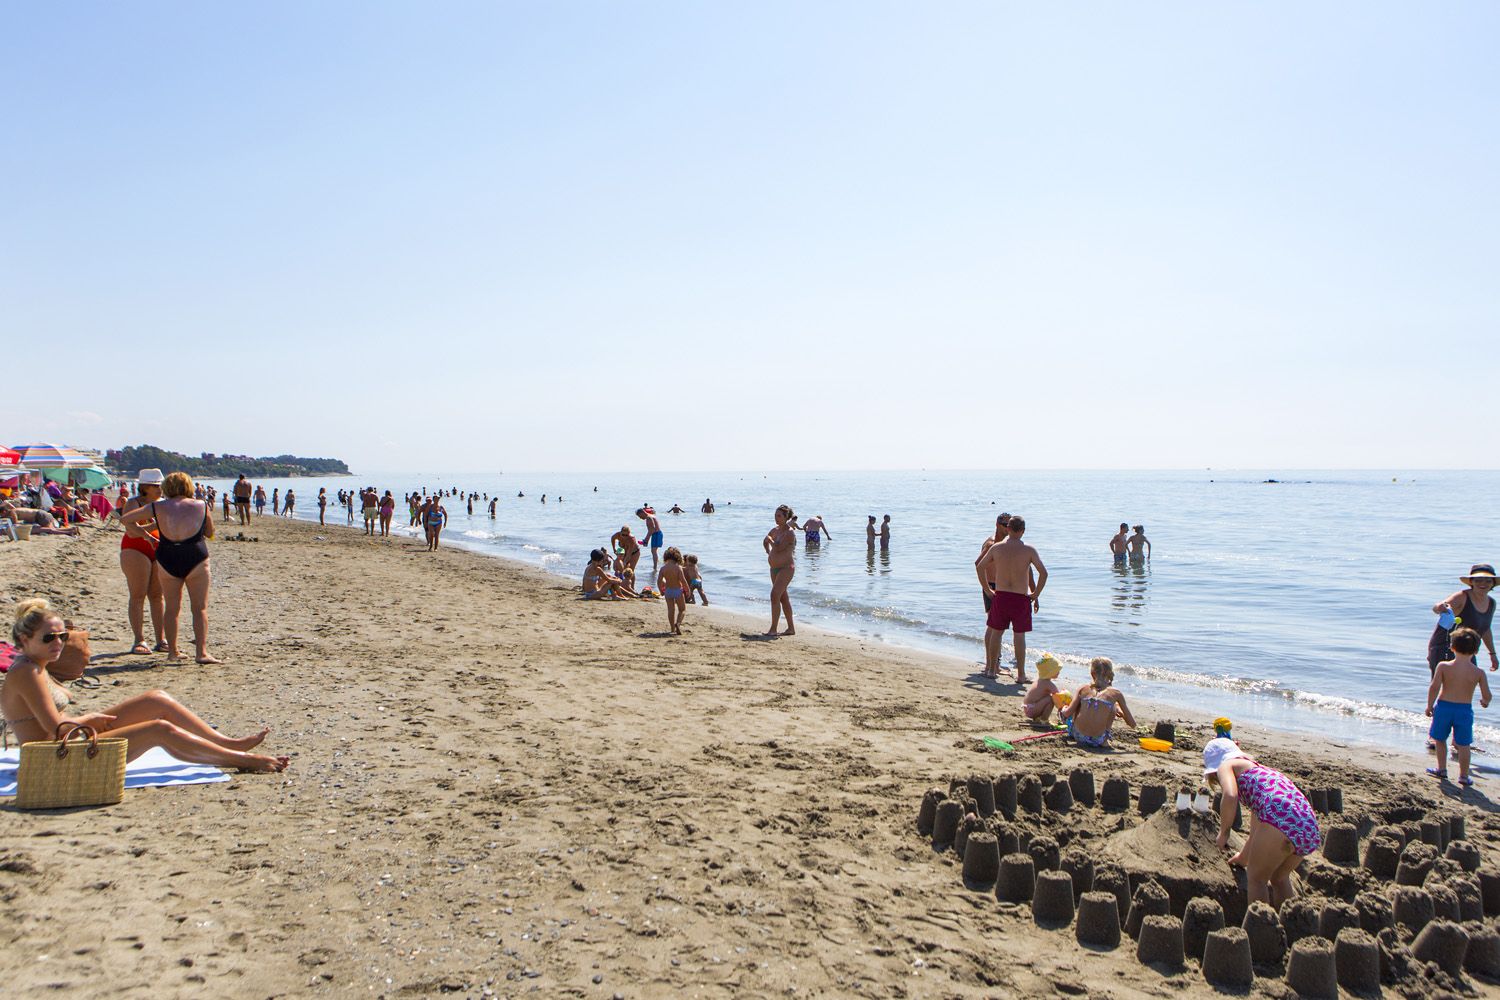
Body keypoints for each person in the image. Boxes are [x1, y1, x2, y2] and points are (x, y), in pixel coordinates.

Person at [1, 599, 288, 772]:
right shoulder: (27, 672)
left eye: (62, 636)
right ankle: (241, 759)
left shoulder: (36, 664)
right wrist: (90, 719)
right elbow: (55, 729)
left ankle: (227, 742)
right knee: (159, 730)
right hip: (51, 759)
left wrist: (89, 721)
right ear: (24, 640)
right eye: (49, 638)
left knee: (156, 699)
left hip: (68, 740)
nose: (59, 643)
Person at [1203, 736, 1322, 908]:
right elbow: (1256, 833)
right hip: (1307, 826)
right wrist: (1243, 858)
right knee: (1279, 878)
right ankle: (1290, 920)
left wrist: (1224, 832)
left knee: (1257, 879)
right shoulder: (1261, 778)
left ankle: (1260, 922)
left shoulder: (1226, 765)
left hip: (1281, 818)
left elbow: (1230, 795)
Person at [117, 473, 221, 664]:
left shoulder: (158, 506)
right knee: (199, 608)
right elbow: (209, 532)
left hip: (168, 556)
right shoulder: (201, 505)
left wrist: (146, 533)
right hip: (195, 555)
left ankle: (172, 651)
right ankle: (201, 653)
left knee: (172, 608)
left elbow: (126, 519)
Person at [974, 516, 1047, 682]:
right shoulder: (1029, 550)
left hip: (1001, 596)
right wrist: (1036, 594)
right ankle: (1021, 675)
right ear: (1023, 531)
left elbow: (980, 567)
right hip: (1020, 598)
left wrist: (987, 589)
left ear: (1008, 529)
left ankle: (991, 670)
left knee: (996, 633)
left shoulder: (997, 547)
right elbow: (1044, 573)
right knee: (1019, 636)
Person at [1426, 627, 1491, 785]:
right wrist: (1485, 701)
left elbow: (1434, 687)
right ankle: (1463, 775)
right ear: (1476, 651)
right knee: (1463, 744)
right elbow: (1487, 694)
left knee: (1440, 739)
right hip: (1464, 710)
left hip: (1444, 707)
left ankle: (1442, 769)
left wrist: (1429, 705)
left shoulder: (1443, 666)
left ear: (1452, 647)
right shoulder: (1478, 672)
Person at [118, 469, 166, 655]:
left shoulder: (162, 504)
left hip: (158, 549)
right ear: (145, 487)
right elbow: (131, 530)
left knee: (157, 595)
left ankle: (161, 639)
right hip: (135, 549)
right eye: (156, 486)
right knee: (138, 594)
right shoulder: (133, 503)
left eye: (161, 486)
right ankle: (139, 639)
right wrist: (150, 533)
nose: (160, 489)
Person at [1429, 565, 1498, 675]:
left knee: (1469, 682)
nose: (1483, 583)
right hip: (1446, 647)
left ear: (1493, 583)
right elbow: (1437, 608)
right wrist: (1440, 607)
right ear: (1471, 582)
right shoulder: (1461, 597)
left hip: (1469, 650)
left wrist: (1492, 654)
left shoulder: (1491, 603)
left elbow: (1485, 629)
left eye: (1488, 580)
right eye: (1478, 580)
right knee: (1443, 683)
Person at [1058, 657, 1135, 747]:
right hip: (1098, 739)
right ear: (1110, 674)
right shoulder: (1116, 693)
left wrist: (1063, 709)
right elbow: (1132, 724)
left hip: (1078, 736)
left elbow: (1067, 714)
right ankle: (1105, 740)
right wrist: (1121, 713)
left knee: (1079, 703)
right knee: (1112, 706)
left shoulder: (1083, 688)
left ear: (1092, 673)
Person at [764, 504, 797, 636]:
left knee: (774, 595)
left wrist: (770, 541)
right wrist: (768, 551)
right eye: (775, 515)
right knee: (783, 598)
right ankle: (791, 629)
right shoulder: (775, 530)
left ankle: (773, 629)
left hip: (786, 568)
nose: (776, 518)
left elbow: (778, 548)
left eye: (779, 516)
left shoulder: (789, 532)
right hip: (774, 568)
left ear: (786, 517)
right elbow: (765, 540)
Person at [1021, 654, 1063, 723]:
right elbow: (1059, 696)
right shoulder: (1048, 684)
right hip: (1032, 709)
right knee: (1051, 699)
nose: (1059, 672)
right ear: (1050, 672)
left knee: (1048, 697)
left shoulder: (1039, 680)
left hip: (1028, 708)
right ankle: (1043, 719)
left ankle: (1038, 718)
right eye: (1056, 671)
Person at [658, 547, 689, 635]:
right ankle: (678, 624)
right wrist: (687, 590)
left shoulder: (663, 568)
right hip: (677, 590)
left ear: (666, 557)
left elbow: (659, 581)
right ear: (677, 557)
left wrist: (661, 590)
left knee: (671, 610)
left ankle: (672, 628)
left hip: (668, 591)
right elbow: (683, 581)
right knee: (682, 609)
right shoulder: (678, 568)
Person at [638, 506, 663, 577]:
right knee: (654, 551)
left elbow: (651, 530)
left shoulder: (648, 518)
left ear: (642, 513)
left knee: (653, 551)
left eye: (640, 516)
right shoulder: (651, 515)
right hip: (658, 533)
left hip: (656, 534)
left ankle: (655, 568)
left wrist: (646, 540)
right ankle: (656, 566)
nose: (640, 518)